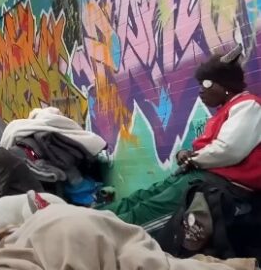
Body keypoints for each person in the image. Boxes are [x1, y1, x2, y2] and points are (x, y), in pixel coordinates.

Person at [102, 47, 261, 231]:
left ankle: (105, 235)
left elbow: (228, 150)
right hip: (204, 177)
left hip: (223, 186)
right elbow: (215, 149)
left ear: (225, 85)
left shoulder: (248, 106)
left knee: (147, 212)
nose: (201, 90)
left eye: (206, 84)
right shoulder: (227, 109)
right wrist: (188, 155)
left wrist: (192, 159)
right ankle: (92, 219)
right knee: (140, 197)